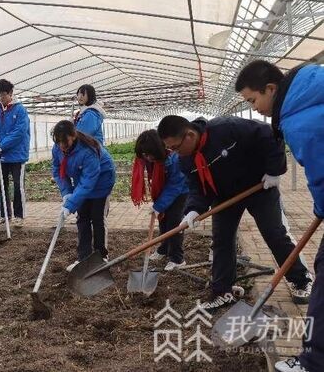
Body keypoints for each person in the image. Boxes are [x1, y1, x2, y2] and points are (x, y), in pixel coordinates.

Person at [157, 115, 312, 312]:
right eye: (170, 149)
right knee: (222, 239)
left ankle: (300, 279)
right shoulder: (185, 161)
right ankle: (223, 291)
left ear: (189, 135)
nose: (174, 152)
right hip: (224, 197)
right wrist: (193, 210)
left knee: (273, 232)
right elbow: (198, 189)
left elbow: (269, 134)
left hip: (259, 187)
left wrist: (274, 170)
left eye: (175, 147)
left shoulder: (227, 128)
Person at [235, 60, 324, 372]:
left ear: (271, 89)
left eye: (252, 100)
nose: (254, 107)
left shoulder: (300, 121)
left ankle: (313, 363)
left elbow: (321, 174)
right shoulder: (313, 85)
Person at [51, 120, 116, 272]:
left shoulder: (88, 151)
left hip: (101, 181)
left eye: (64, 142)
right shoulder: (58, 148)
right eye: (58, 141)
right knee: (83, 218)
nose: (61, 146)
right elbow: (58, 170)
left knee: (97, 217)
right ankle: (84, 257)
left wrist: (71, 204)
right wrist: (67, 193)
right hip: (83, 181)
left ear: (73, 136)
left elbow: (88, 182)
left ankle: (101, 256)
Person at [131, 129, 189, 271]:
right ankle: (164, 249)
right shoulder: (152, 158)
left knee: (174, 224)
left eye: (149, 154)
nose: (147, 158)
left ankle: (177, 258)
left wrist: (159, 205)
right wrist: (159, 206)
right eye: (144, 155)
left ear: (158, 149)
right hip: (166, 190)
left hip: (181, 191)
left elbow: (175, 185)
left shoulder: (175, 158)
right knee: (163, 220)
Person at [0, 79, 30, 228]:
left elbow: (19, 132)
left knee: (18, 185)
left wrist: (2, 146)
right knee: (2, 185)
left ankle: (19, 215)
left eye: (3, 95)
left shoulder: (20, 110)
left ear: (11, 93)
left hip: (17, 154)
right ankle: (5, 215)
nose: (1, 98)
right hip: (2, 156)